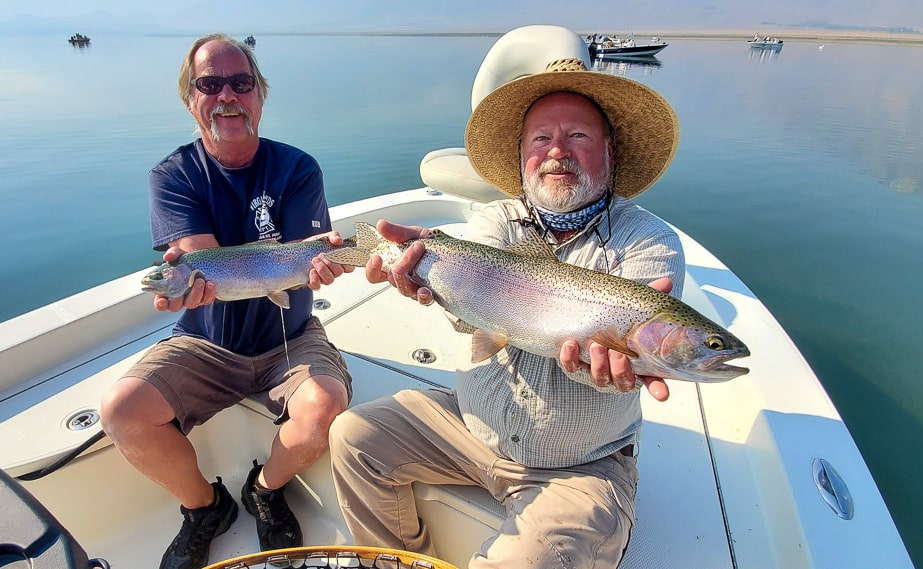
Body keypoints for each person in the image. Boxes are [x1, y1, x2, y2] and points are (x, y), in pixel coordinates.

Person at [329, 56, 684, 568]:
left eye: (578, 136)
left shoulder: (649, 242)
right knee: (353, 438)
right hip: (471, 427)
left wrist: (615, 369)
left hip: (580, 464)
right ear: (522, 156)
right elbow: (469, 315)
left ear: (609, 152)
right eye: (540, 139)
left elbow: (613, 361)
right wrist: (425, 277)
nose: (556, 151)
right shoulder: (494, 220)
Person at [99, 33, 353, 569]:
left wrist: (323, 264)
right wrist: (177, 285)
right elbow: (201, 262)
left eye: (241, 83)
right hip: (206, 343)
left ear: (260, 94)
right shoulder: (173, 176)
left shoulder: (297, 168)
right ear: (190, 99)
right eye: (209, 85)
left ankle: (264, 488)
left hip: (291, 336)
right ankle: (203, 507)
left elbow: (305, 254)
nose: (226, 96)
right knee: (120, 410)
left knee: (327, 407)